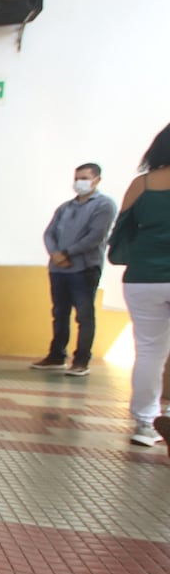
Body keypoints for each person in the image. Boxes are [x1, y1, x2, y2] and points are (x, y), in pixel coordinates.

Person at [108, 125, 170, 449]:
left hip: (144, 278)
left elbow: (120, 234)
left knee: (148, 351)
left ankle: (145, 424)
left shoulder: (142, 184)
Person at [30, 163, 117, 377]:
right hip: (58, 269)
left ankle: (81, 361)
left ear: (97, 179)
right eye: (77, 177)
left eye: (85, 177)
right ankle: (57, 355)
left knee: (84, 315)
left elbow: (95, 237)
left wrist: (67, 253)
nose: (80, 182)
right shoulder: (65, 207)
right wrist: (55, 254)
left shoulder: (104, 205)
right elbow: (49, 233)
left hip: (84, 268)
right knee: (59, 313)